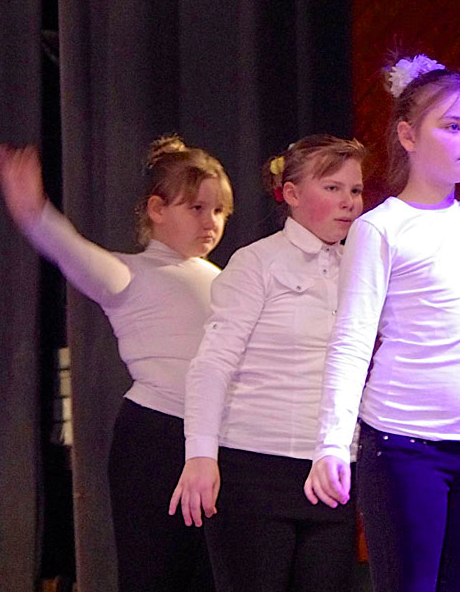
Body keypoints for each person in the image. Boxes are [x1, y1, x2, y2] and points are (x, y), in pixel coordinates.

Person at [304, 54, 460, 592]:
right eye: (452, 126)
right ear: (408, 135)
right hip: (404, 448)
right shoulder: (382, 228)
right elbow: (352, 340)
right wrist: (333, 443)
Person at [0, 136, 232, 591]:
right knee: (155, 573)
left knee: (209, 575)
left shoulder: (223, 279)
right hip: (158, 438)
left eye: (219, 211)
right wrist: (34, 212)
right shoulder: (129, 275)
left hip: (215, 442)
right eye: (197, 209)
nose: (211, 222)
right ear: (157, 209)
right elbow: (70, 251)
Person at [169, 134, 366, 592]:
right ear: (291, 194)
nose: (349, 202)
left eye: (355, 190)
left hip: (332, 471)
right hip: (255, 469)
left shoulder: (360, 267)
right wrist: (201, 453)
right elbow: (212, 363)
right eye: (332, 188)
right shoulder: (257, 263)